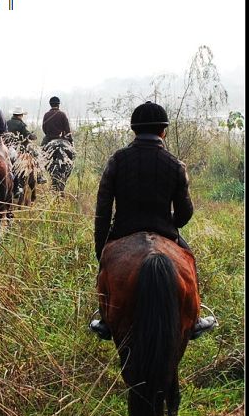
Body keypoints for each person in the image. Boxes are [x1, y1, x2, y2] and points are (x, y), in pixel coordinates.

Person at [90, 101, 217, 341]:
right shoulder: (176, 165)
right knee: (189, 261)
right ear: (163, 131)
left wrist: (102, 250)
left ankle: (106, 320)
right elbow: (184, 214)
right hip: (165, 231)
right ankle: (196, 318)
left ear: (134, 130)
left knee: (106, 272)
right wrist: (169, 219)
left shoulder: (117, 161)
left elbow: (102, 211)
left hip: (123, 230)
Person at [6, 106, 47, 184]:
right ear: (20, 115)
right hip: (20, 148)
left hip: (7, 148)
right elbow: (29, 136)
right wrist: (33, 135)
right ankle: (39, 176)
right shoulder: (21, 124)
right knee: (36, 154)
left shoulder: (7, 123)